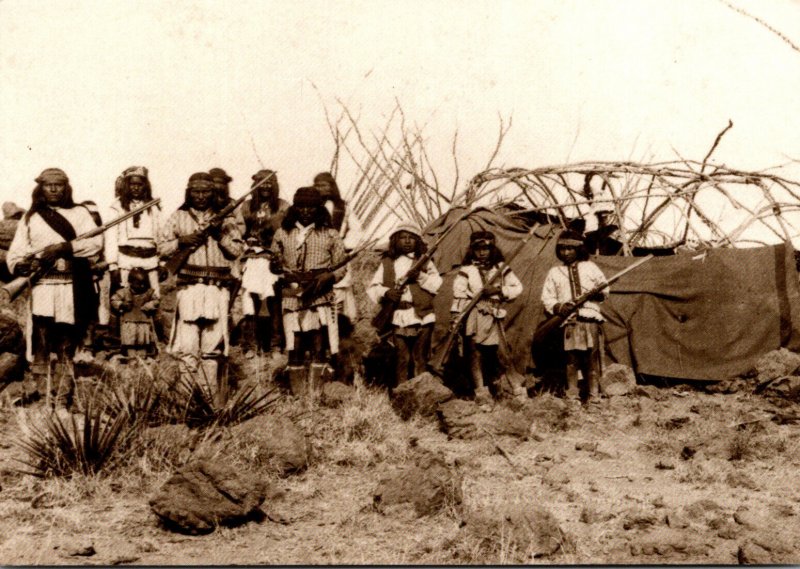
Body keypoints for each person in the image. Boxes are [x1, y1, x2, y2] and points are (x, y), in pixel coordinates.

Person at [6, 168, 103, 407]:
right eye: (48, 185)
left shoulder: (80, 213)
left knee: (67, 345)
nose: (53, 189)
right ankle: (42, 397)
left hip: (72, 287)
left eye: (58, 185)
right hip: (43, 287)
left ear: (66, 187)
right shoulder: (31, 216)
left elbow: (95, 243)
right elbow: (16, 252)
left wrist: (65, 249)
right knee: (41, 343)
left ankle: (62, 400)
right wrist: (22, 266)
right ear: (40, 187)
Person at [158, 172, 244, 404]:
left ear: (213, 193)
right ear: (189, 193)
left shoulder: (227, 220)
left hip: (217, 290)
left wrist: (219, 235)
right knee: (187, 350)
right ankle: (186, 403)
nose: (201, 196)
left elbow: (237, 251)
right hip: (189, 289)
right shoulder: (177, 217)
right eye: (196, 192)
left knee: (211, 351)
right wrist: (181, 242)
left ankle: (207, 402)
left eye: (206, 192)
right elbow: (161, 248)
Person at [271, 187, 346, 396]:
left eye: (311, 207)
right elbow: (274, 261)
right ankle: (298, 394)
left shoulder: (330, 234)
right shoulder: (282, 233)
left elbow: (341, 265)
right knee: (293, 343)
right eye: (301, 206)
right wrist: (276, 267)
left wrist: (329, 277)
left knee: (318, 341)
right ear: (294, 208)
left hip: (320, 294)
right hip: (292, 294)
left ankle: (316, 393)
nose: (306, 211)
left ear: (319, 209)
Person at [451, 231, 523, 406]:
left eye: (486, 249)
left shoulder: (501, 269)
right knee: (475, 352)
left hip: (494, 313)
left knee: (500, 353)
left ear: (493, 249)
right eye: (478, 249)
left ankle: (511, 389)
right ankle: (481, 392)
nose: (482, 252)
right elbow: (459, 293)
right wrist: (457, 316)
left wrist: (498, 291)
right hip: (474, 312)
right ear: (472, 250)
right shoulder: (466, 270)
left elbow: (517, 287)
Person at [367, 223, 442, 385]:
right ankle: (402, 393)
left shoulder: (424, 261)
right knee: (402, 358)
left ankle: (420, 394)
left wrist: (420, 276)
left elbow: (437, 285)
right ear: (395, 240)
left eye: (411, 238)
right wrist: (387, 292)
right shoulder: (387, 262)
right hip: (398, 315)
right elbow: (374, 287)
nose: (407, 241)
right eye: (403, 237)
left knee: (419, 358)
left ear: (417, 241)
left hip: (422, 315)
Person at [541, 229, 609, 405]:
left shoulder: (591, 267)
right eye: (562, 249)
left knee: (591, 359)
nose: (566, 252)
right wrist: (560, 307)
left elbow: (605, 290)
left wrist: (593, 294)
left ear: (579, 249)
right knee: (571, 360)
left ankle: (594, 397)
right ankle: (573, 396)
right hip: (569, 321)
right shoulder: (554, 272)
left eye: (570, 248)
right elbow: (547, 298)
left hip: (589, 318)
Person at [239, 169, 290, 357]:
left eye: (270, 182)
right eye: (261, 182)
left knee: (274, 302)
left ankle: (276, 345)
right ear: (255, 185)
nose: (266, 186)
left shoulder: (283, 206)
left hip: (273, 259)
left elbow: (287, 232)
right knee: (250, 303)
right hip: (251, 259)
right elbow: (238, 231)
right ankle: (251, 345)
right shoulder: (245, 207)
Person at [313, 172, 361, 335]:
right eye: (317, 185)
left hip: (338, 255)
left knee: (339, 294)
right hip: (316, 255)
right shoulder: (310, 207)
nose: (320, 188)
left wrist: (343, 245)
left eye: (324, 185)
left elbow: (356, 230)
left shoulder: (343, 207)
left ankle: (340, 333)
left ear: (332, 187)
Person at [106, 166, 162, 294]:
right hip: (125, 262)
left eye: (139, 184)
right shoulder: (117, 207)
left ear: (145, 186)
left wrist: (162, 262)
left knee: (152, 299)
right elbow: (111, 237)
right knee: (124, 299)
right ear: (126, 185)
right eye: (132, 184)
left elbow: (159, 234)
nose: (136, 188)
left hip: (150, 262)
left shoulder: (153, 207)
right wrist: (113, 265)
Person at [110, 267, 159, 359]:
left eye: (143, 284)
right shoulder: (124, 292)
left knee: (142, 341)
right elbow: (113, 300)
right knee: (130, 342)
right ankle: (131, 358)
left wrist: (149, 305)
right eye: (138, 284)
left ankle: (142, 358)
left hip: (143, 322)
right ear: (130, 282)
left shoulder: (148, 292)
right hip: (129, 322)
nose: (141, 286)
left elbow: (156, 301)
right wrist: (121, 304)